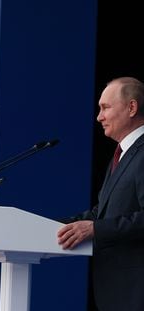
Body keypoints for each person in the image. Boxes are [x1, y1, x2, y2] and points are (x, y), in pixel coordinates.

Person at [57, 77, 144, 311]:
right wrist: (50, 226)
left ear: (132, 108)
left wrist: (95, 229)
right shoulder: (122, 154)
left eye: (105, 107)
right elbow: (101, 212)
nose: (99, 117)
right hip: (116, 291)